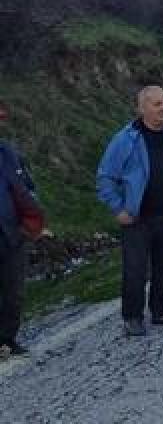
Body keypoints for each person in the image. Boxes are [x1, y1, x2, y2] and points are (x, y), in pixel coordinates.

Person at [96, 86, 163, 336]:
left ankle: (160, 312)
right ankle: (132, 317)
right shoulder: (125, 139)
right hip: (137, 218)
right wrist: (118, 208)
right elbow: (105, 178)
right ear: (142, 108)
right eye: (156, 104)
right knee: (135, 270)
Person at [1, 100, 41, 358]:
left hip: (12, 234)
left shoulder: (9, 153)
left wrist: (29, 225)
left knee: (13, 291)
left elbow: (28, 188)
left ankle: (7, 339)